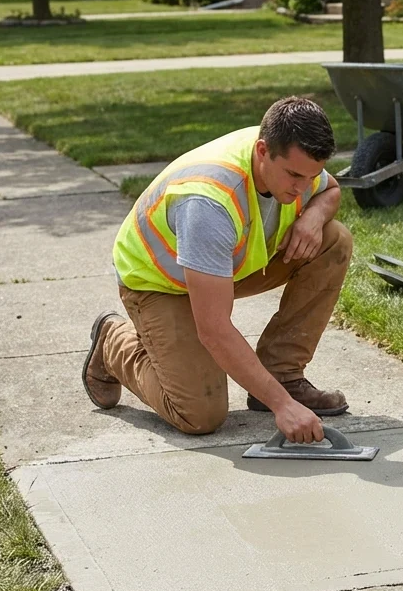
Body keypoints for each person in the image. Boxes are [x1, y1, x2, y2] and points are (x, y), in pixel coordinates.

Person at [81, 96, 352, 444]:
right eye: (295, 176)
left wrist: (313, 217)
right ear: (262, 150)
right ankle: (112, 343)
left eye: (310, 175)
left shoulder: (292, 153)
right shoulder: (209, 202)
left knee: (334, 239)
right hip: (160, 283)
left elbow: (329, 190)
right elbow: (213, 328)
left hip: (225, 266)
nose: (303, 187)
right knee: (199, 414)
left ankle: (281, 373)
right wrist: (282, 407)